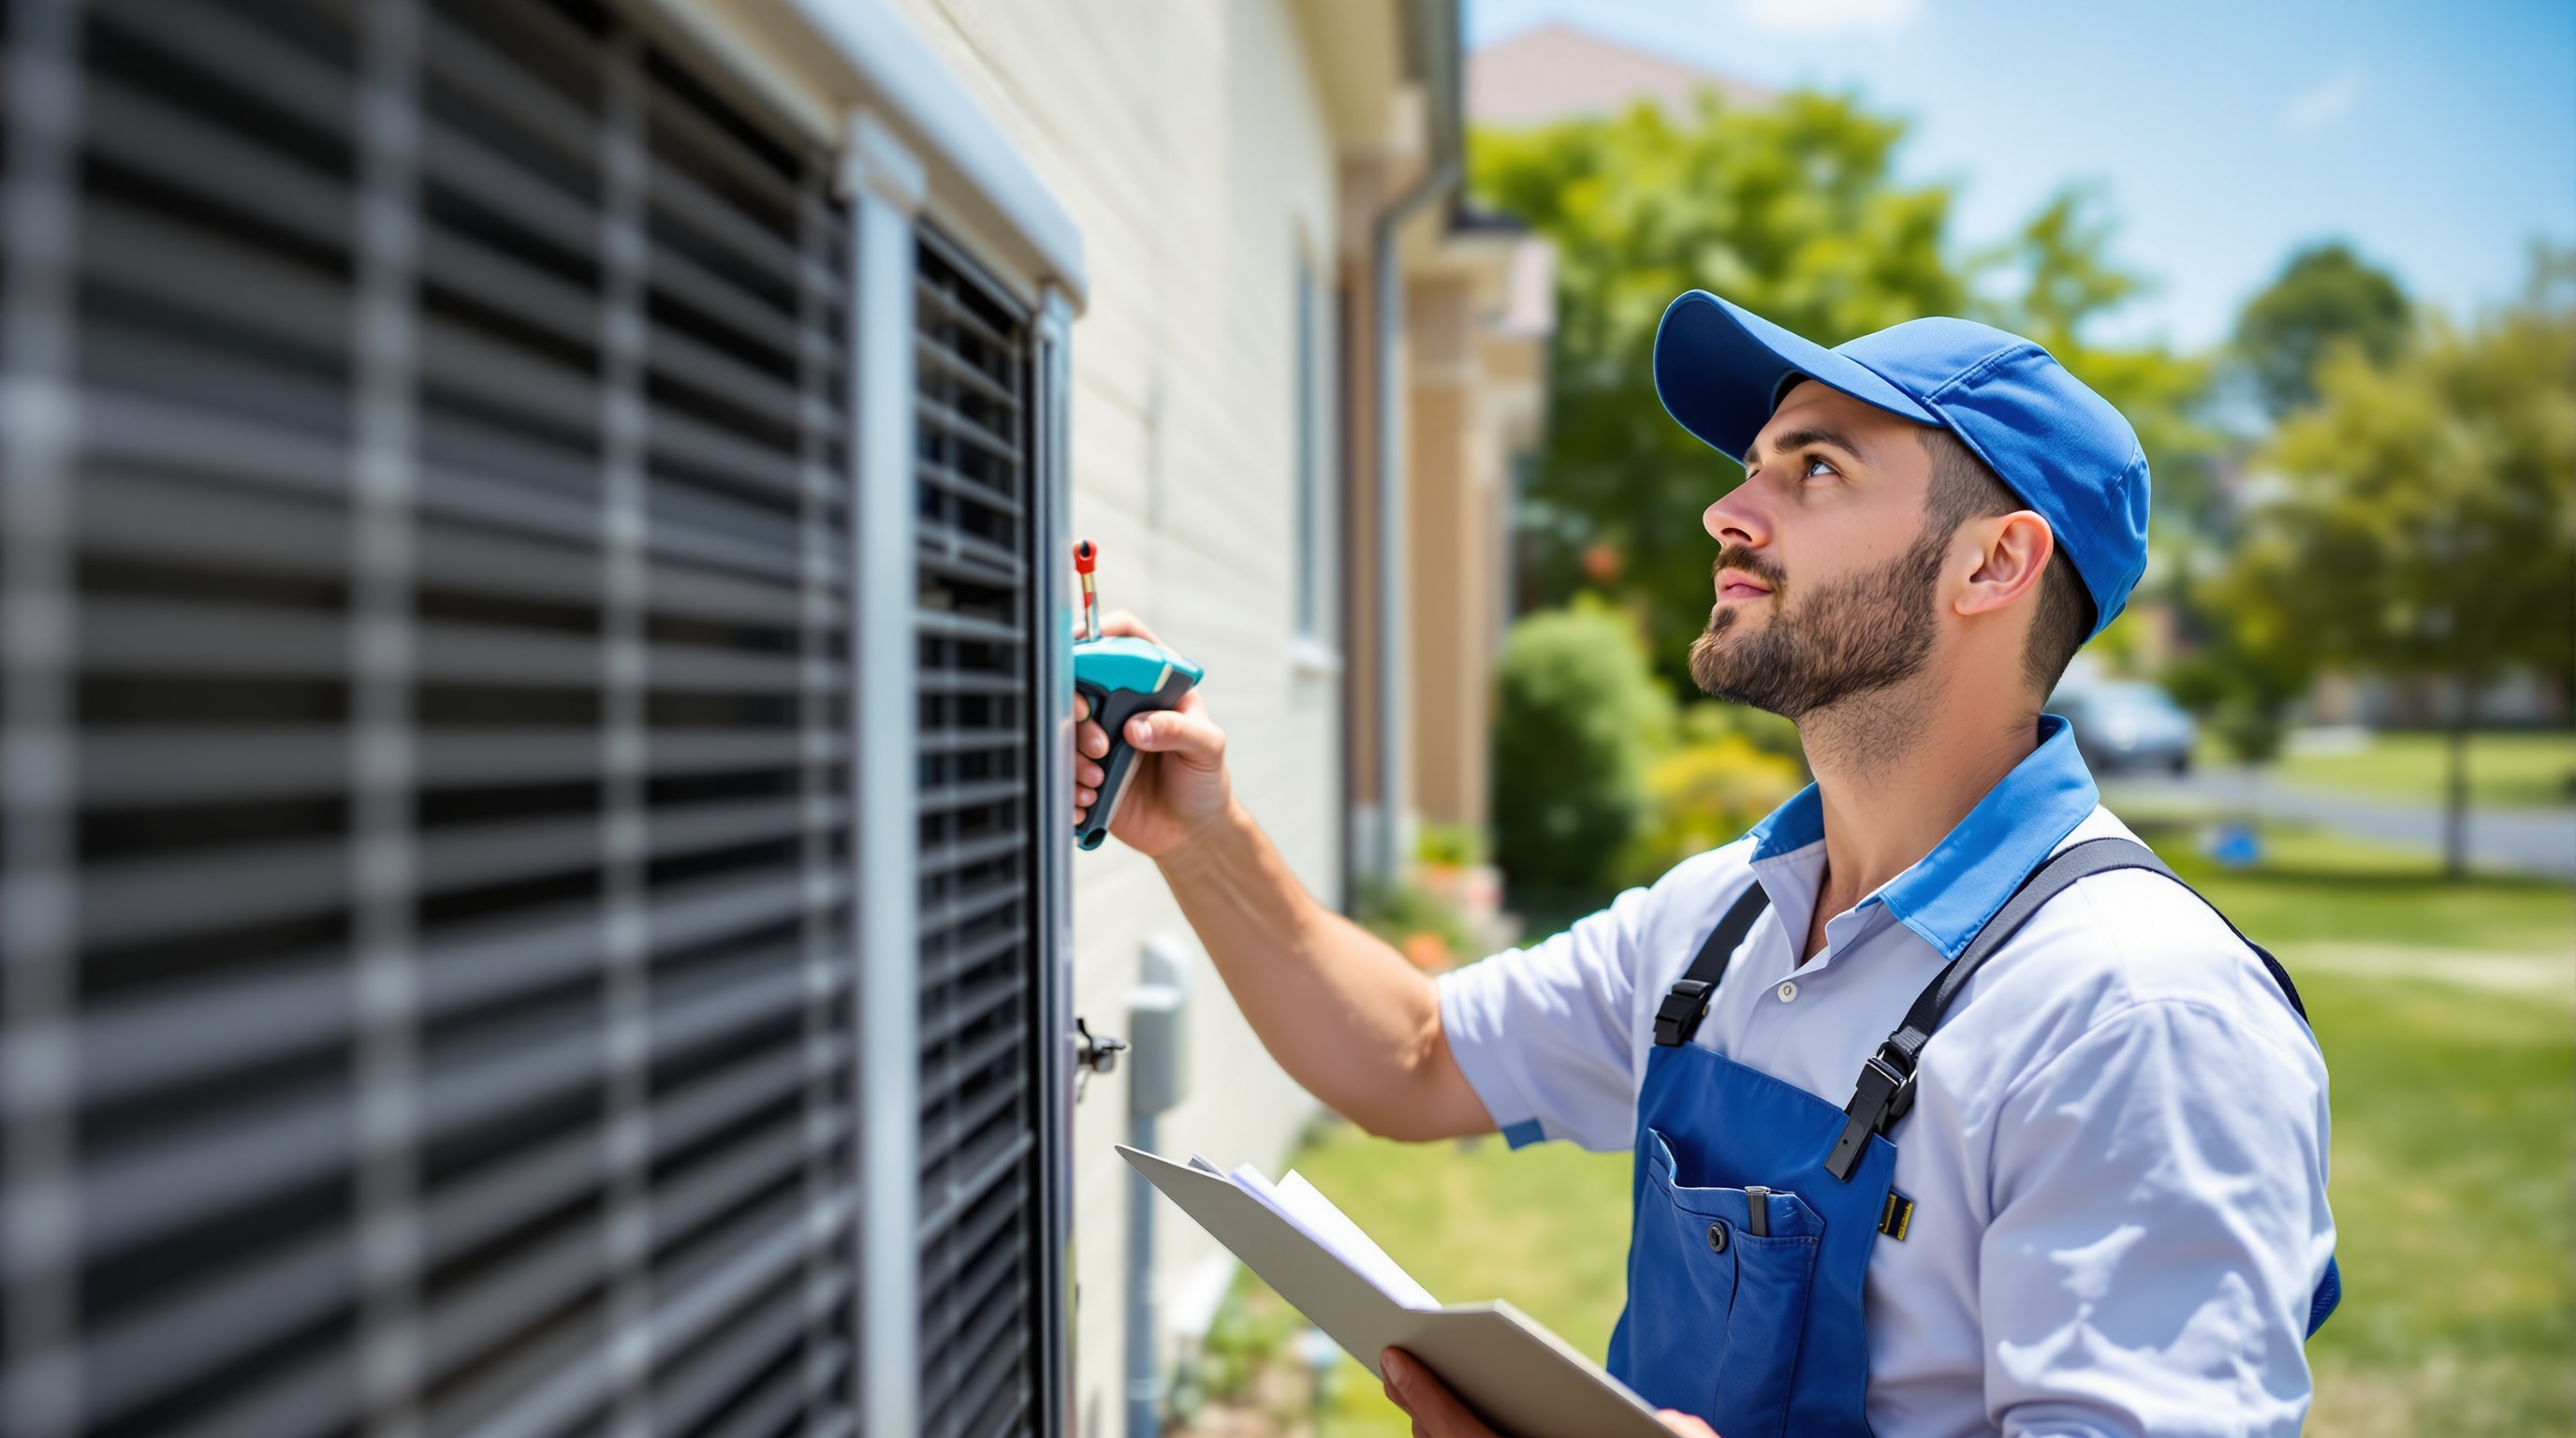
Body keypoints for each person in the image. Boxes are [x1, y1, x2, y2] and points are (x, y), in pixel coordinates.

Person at [1072, 293, 2335, 1438]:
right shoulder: (1727, 918)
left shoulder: (2137, 1017)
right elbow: (1408, 1057)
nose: (1727, 513)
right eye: (1750, 470)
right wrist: (1202, 835)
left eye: (1817, 468)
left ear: (1993, 564)